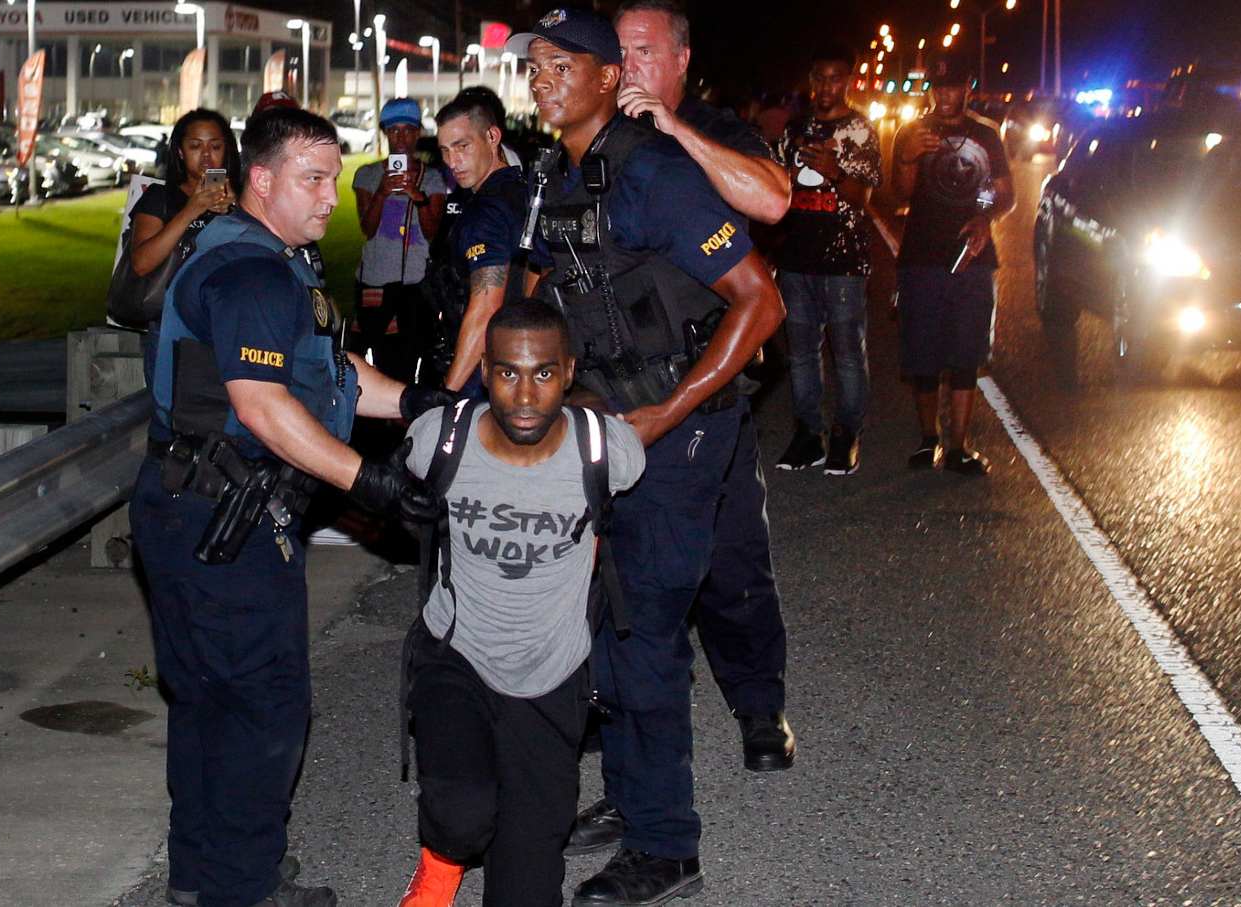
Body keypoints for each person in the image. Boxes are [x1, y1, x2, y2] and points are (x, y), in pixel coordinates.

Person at [132, 106, 452, 907]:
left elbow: (327, 367)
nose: (328, 197)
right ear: (261, 180)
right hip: (219, 516)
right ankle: (241, 887)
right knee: (260, 706)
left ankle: (205, 876)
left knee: (209, 701)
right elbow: (264, 405)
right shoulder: (248, 272)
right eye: (312, 180)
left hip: (195, 505)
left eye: (335, 179)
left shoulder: (275, 258)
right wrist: (370, 483)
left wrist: (417, 402)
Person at [504, 9, 786, 904]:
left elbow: (760, 301)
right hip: (607, 423)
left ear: (604, 81)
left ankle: (669, 846)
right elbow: (556, 299)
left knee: (647, 627)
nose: (543, 78)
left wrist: (666, 412)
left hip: (679, 427)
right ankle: (633, 799)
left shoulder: (655, 170)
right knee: (609, 623)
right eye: (535, 64)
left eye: (562, 64)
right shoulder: (556, 175)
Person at [395, 300, 646, 907]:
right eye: (508, 373)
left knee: (528, 885)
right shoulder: (438, 441)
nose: (526, 395)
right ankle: (440, 864)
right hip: (457, 655)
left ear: (568, 372)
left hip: (552, 673)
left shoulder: (609, 452)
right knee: (462, 817)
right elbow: (404, 507)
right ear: (485, 371)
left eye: (542, 373)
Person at [892, 57, 1015, 475]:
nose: (944, 95)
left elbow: (1001, 193)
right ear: (930, 90)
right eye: (938, 88)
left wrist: (984, 215)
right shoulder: (913, 132)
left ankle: (959, 446)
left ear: (967, 88)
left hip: (972, 259)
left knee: (966, 354)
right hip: (922, 257)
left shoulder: (984, 135)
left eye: (953, 87)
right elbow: (900, 195)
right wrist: (907, 158)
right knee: (923, 354)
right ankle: (929, 441)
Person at [770, 43, 883, 476]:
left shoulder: (860, 130)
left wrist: (835, 170)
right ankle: (807, 434)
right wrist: (790, 176)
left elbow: (863, 198)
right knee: (801, 353)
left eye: (835, 78)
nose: (825, 87)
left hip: (844, 262)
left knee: (848, 355)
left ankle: (846, 435)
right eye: (819, 78)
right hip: (797, 256)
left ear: (848, 82)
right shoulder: (795, 128)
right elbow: (778, 187)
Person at [612, 0, 790, 224]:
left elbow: (773, 203)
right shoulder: (606, 126)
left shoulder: (716, 127)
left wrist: (676, 128)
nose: (628, 66)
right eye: (620, 51)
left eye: (644, 52)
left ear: (681, 60)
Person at [128, 108, 241, 387]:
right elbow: (141, 263)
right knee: (173, 416)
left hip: (231, 325)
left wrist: (237, 209)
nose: (206, 156)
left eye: (215, 146)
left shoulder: (243, 198)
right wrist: (192, 210)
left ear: (227, 150)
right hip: (172, 329)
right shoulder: (160, 198)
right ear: (179, 151)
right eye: (195, 146)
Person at [427, 93, 529, 396]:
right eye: (444, 151)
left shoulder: (486, 212)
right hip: (519, 358)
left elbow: (485, 308)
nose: (452, 162)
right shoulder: (522, 188)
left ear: (493, 136)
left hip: (485, 371)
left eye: (462, 146)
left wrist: (448, 393)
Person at [352, 98, 447, 381]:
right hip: (376, 281)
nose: (401, 138)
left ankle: (406, 417)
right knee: (376, 360)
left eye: (408, 130)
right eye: (394, 130)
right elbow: (367, 229)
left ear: (418, 133)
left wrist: (418, 198)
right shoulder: (367, 175)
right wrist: (382, 192)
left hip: (417, 284)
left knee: (413, 357)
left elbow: (432, 232)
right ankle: (377, 421)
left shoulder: (432, 179)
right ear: (385, 133)